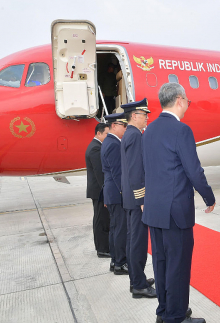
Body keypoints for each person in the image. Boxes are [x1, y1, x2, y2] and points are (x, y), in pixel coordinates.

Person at [142, 83, 215, 323]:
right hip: (176, 212)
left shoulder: (149, 130)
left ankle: (164, 311)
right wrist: (208, 196)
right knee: (179, 265)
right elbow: (193, 170)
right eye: (187, 102)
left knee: (161, 263)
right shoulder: (181, 130)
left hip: (155, 211)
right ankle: (176, 316)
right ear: (180, 100)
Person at [120, 99, 156, 299]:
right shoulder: (135, 136)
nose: (147, 119)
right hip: (136, 199)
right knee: (138, 243)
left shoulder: (130, 134)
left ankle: (137, 278)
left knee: (134, 240)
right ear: (134, 116)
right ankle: (138, 285)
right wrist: (141, 198)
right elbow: (135, 170)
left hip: (131, 197)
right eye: (144, 115)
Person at [101, 112, 128, 275]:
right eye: (123, 125)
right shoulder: (113, 144)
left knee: (115, 228)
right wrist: (124, 193)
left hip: (111, 192)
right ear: (114, 125)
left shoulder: (109, 142)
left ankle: (114, 261)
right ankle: (120, 263)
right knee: (120, 229)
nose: (125, 128)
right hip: (116, 193)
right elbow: (118, 173)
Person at [85, 122, 111, 258]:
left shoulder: (97, 146)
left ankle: (104, 247)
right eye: (107, 134)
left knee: (103, 219)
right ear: (99, 133)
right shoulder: (96, 149)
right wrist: (107, 193)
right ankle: (102, 249)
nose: (108, 136)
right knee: (101, 220)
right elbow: (100, 174)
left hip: (99, 191)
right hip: (99, 191)